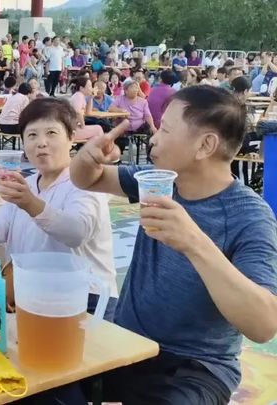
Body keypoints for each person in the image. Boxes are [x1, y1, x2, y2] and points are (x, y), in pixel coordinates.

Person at [67, 84, 277, 404]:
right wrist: (88, 157)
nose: (154, 138)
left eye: (165, 129)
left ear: (205, 145)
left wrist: (194, 242)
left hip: (195, 367)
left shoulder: (249, 216)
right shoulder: (158, 182)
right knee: (40, 380)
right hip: (129, 343)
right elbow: (87, 179)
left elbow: (264, 325)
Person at [0, 96, 119, 316]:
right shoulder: (27, 185)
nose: (41, 142)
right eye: (32, 135)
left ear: (71, 137)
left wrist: (31, 204)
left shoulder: (85, 184)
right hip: (37, 295)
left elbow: (76, 232)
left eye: (51, 133)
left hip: (87, 300)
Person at [69, 76, 105, 141]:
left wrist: (91, 97)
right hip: (72, 130)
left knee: (95, 137)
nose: (91, 88)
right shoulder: (78, 96)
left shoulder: (81, 96)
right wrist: (83, 125)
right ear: (81, 88)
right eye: (89, 86)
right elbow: (78, 112)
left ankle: (97, 147)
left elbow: (88, 112)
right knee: (98, 129)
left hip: (74, 128)